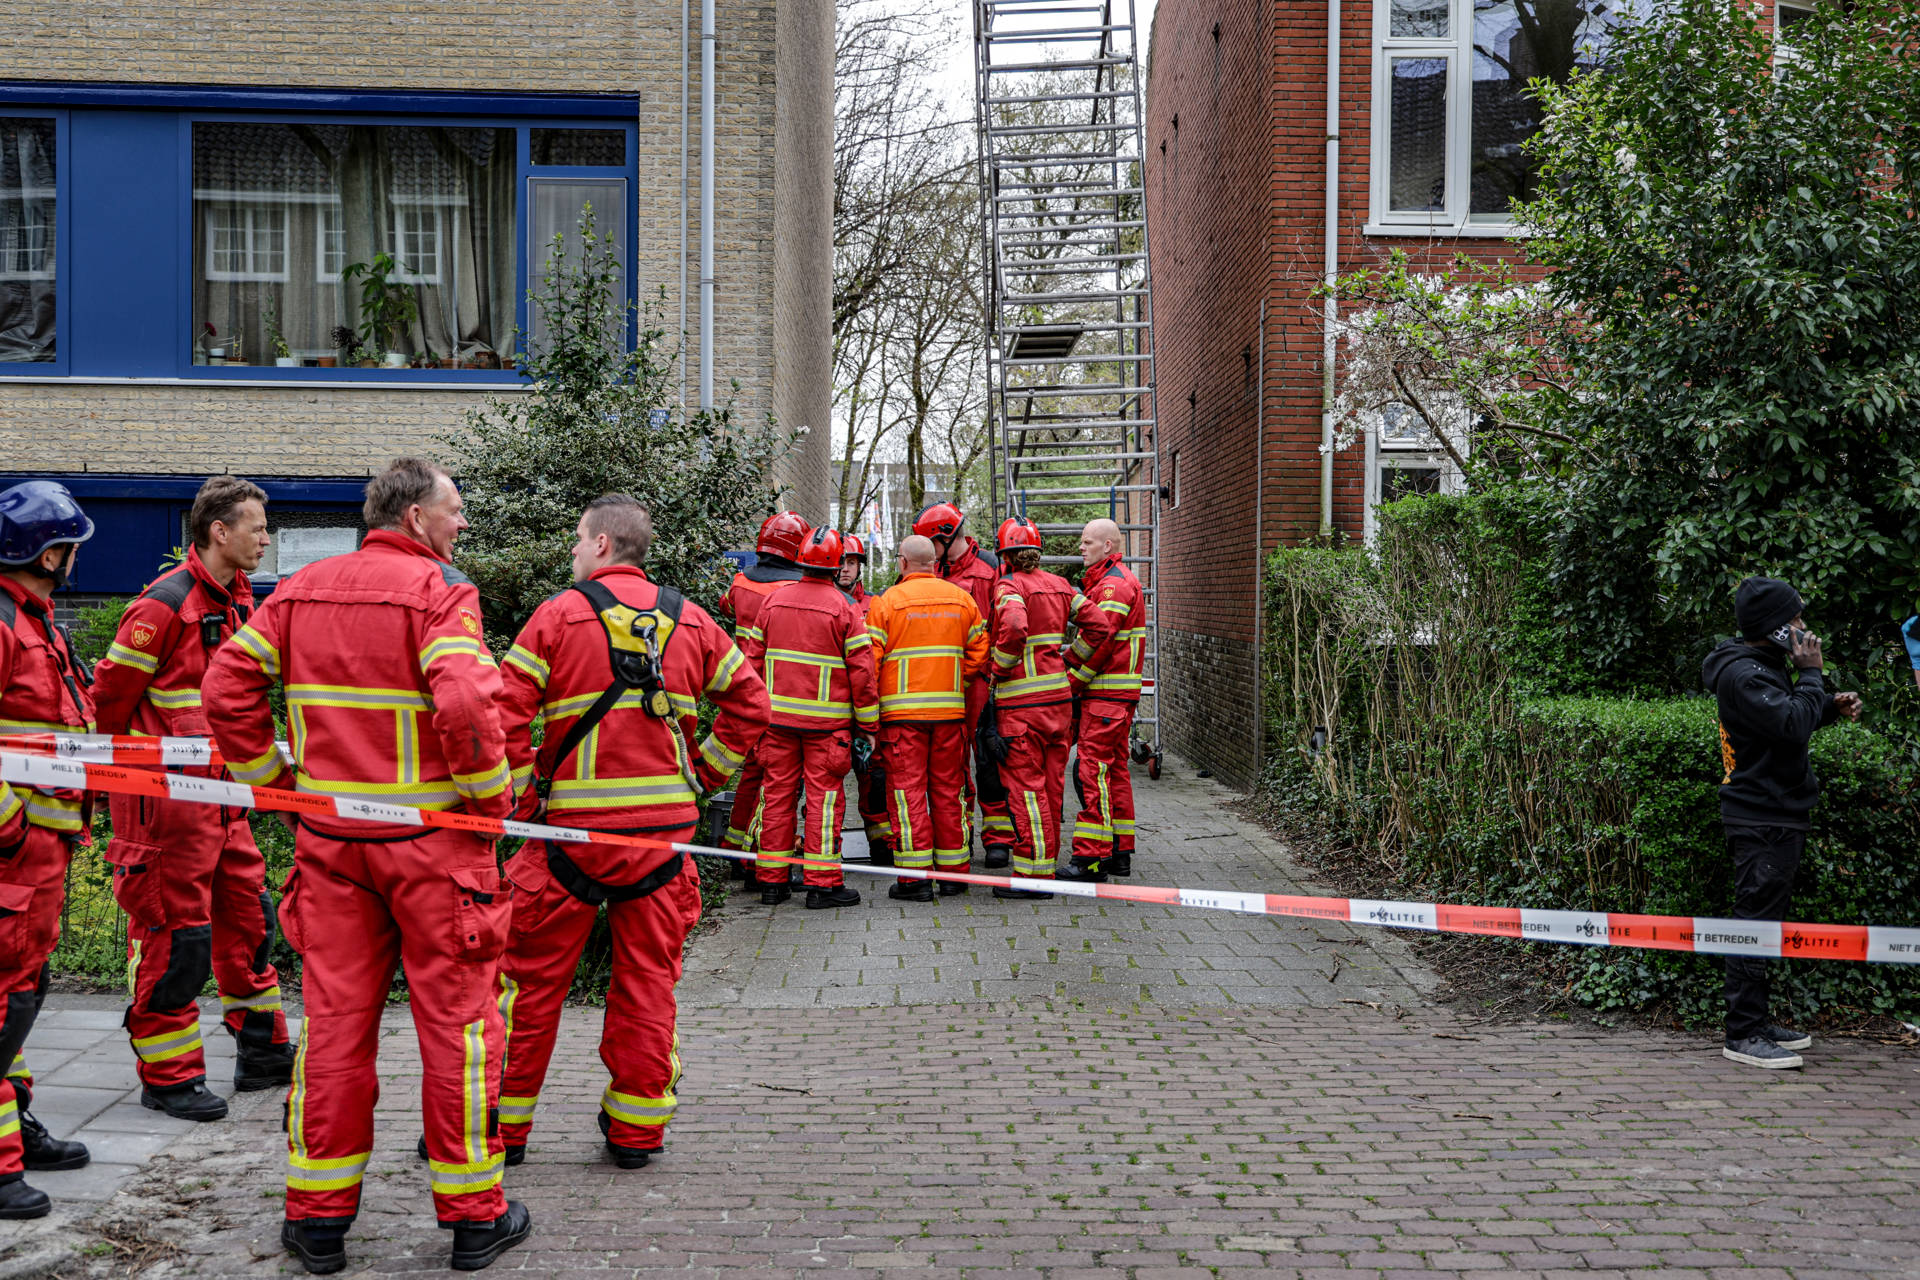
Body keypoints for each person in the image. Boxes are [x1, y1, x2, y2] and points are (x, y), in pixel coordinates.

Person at [204, 458, 530, 1274]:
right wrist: (489, 802)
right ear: (417, 517)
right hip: (434, 852)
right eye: (454, 512)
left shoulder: (301, 590)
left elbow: (227, 684)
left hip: (333, 848)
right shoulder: (440, 592)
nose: (462, 526)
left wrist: (276, 786)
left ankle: (317, 1223)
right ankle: (474, 1220)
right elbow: (462, 699)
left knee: (337, 1031)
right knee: (458, 1032)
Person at [493, 494, 769, 1168]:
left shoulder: (559, 615)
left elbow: (501, 713)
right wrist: (703, 773)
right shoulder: (693, 621)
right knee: (647, 987)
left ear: (604, 546)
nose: (573, 553)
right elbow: (751, 703)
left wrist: (525, 795)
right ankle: (636, 1133)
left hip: (568, 840)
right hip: (664, 842)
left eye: (579, 542)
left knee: (524, 986)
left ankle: (502, 1130)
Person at [91, 476, 295, 1123]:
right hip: (163, 815)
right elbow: (108, 709)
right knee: (175, 942)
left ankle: (262, 1054)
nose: (265, 539)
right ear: (219, 532)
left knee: (249, 924)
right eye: (257, 527)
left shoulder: (234, 605)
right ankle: (169, 1076)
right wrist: (110, 794)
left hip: (221, 803)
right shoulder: (163, 607)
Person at [1702, 577, 1862, 1071]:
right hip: (1761, 816)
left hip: (1778, 812)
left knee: (1766, 922)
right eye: (1794, 619)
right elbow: (1790, 725)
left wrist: (1827, 706)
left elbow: (1783, 725)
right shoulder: (1745, 675)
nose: (1802, 627)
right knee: (1754, 922)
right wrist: (1813, 675)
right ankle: (1742, 1033)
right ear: (1774, 628)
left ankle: (1757, 1021)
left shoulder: (1762, 668)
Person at [0, 481, 96, 1221]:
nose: (73, 562)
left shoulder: (39, 623)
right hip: (12, 857)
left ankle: (13, 1129)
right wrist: (10, 830)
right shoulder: (3, 623)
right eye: (69, 548)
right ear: (49, 551)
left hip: (39, 857)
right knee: (4, 1003)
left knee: (20, 1001)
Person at [740, 527, 879, 907]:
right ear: (836, 567)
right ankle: (822, 885)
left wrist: (753, 717)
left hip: (777, 724)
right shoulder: (845, 608)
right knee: (823, 801)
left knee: (777, 797)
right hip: (826, 728)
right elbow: (863, 673)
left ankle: (772, 882)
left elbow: (751, 663)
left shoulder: (773, 602)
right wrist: (868, 727)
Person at [866, 535, 988, 900]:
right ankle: (954, 875)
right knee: (949, 792)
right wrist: (954, 680)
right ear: (934, 562)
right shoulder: (962, 600)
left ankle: (915, 879)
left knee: (907, 795)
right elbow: (980, 653)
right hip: (950, 716)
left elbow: (868, 662)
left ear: (903, 563)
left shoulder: (886, 603)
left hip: (902, 720)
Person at [986, 518, 1084, 899]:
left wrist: (999, 669)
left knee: (1027, 790)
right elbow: (1098, 624)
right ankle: (1046, 867)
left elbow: (1012, 626)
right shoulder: (1061, 586)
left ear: (1005, 555)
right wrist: (1071, 661)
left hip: (1021, 708)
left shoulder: (1010, 585)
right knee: (1051, 788)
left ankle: (1033, 876)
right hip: (1059, 704)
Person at [912, 504, 1014, 867]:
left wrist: (994, 674)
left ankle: (999, 837)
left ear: (946, 536)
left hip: (983, 680)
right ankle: (960, 834)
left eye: (930, 542)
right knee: (951, 764)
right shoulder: (932, 574)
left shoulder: (990, 568)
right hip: (945, 684)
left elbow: (1008, 622)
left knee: (988, 759)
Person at [714, 512, 808, 868]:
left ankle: (734, 845)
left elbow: (726, 604)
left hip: (744, 694)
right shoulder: (792, 590)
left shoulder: (740, 584)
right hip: (783, 695)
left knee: (752, 772)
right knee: (779, 778)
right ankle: (762, 848)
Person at [1063, 517, 1145, 882]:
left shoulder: (1112, 587)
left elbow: (1098, 642)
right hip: (1115, 697)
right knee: (1114, 772)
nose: (1081, 547)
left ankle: (1090, 860)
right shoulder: (1112, 582)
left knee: (1091, 770)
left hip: (1106, 697)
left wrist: (1069, 682)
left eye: (1087, 542)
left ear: (1108, 546)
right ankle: (1119, 852)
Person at [838, 535, 892, 864]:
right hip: (827, 710)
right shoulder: (816, 601)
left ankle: (882, 845)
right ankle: (821, 848)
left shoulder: (876, 605)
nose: (845, 569)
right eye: (840, 561)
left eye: (852, 562)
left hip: (867, 709)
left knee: (874, 777)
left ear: (860, 567)